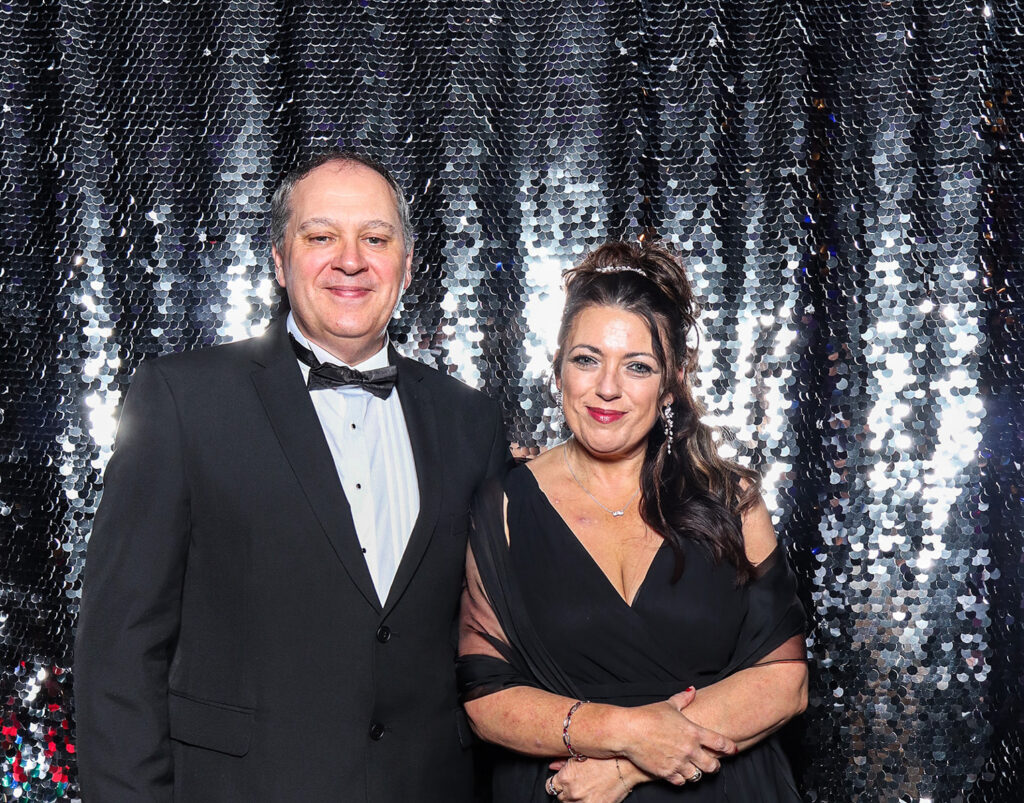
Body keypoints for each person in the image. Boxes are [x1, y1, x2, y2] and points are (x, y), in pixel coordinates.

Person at [74, 151, 509, 802]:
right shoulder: (183, 400)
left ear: (408, 263)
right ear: (280, 260)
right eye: (321, 236)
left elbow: (495, 640)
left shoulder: (471, 421)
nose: (351, 260)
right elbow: (119, 651)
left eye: (376, 238)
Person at [457, 240, 808, 802]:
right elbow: (485, 697)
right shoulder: (502, 505)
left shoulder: (730, 500)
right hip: (564, 792)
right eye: (586, 359)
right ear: (558, 369)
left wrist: (624, 770)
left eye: (638, 366)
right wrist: (626, 733)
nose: (607, 387)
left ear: (671, 383)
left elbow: (785, 682)